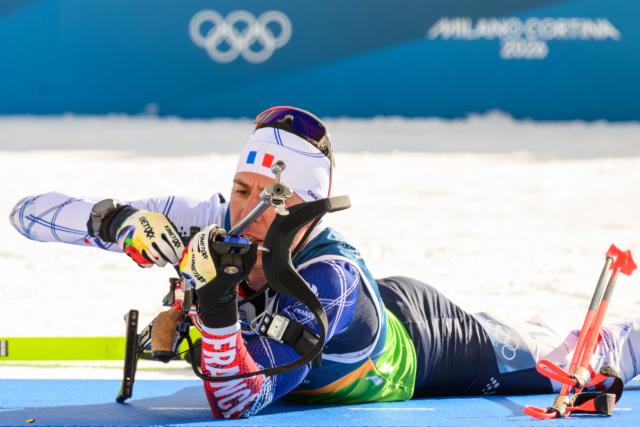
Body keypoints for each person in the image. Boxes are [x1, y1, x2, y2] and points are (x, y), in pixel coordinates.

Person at [9, 106, 640, 419]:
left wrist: (219, 306)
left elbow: (243, 401)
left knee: (561, 368)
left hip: (427, 344)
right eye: (240, 189)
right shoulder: (203, 216)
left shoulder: (328, 279)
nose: (245, 212)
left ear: (306, 212)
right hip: (348, 328)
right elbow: (27, 214)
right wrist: (118, 224)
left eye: (270, 199)